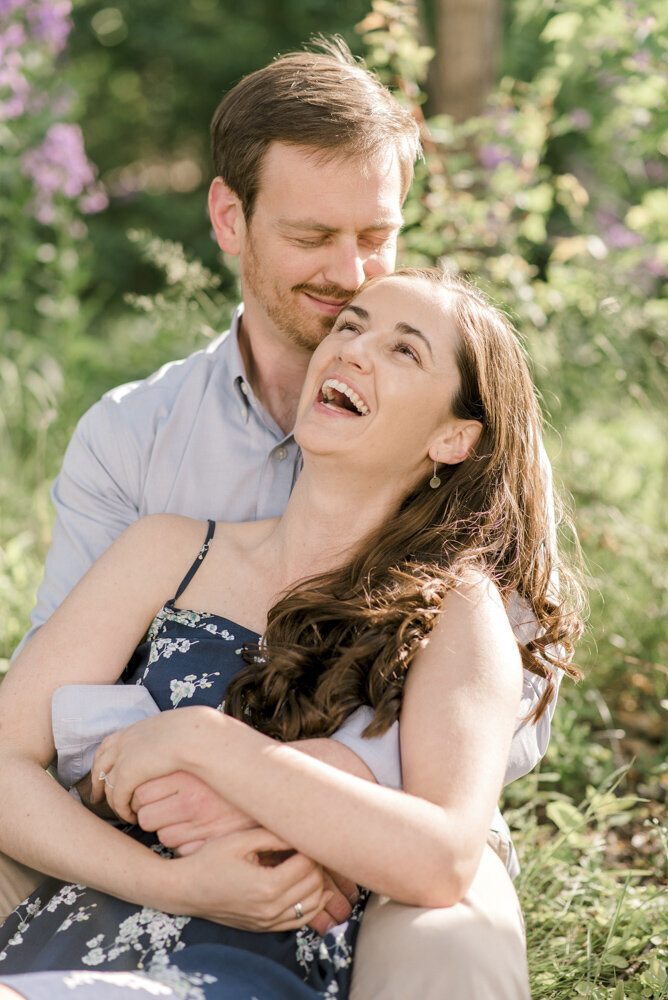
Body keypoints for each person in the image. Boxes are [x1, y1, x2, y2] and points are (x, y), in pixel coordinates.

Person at [0, 40, 561, 999]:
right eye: (313, 238)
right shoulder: (141, 451)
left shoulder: (468, 496)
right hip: (144, 837)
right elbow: (54, 728)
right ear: (231, 217)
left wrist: (284, 775)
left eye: (377, 236)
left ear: (453, 439)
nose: (351, 277)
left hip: (374, 850)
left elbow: (491, 731)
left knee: (450, 945)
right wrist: (165, 819)